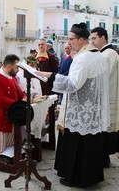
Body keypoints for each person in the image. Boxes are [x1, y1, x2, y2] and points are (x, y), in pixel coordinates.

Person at [36, 22, 110, 188]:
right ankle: (91, 177)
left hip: (80, 111)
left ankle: (76, 177)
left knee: (78, 146)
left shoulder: (83, 58)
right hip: (92, 110)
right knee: (90, 145)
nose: (68, 43)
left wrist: (50, 75)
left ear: (82, 40)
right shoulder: (97, 55)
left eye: (71, 39)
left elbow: (72, 84)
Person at [91, 26, 119, 167]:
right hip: (108, 97)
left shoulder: (107, 54)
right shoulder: (108, 53)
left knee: (104, 130)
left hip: (106, 98)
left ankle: (103, 158)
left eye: (94, 38)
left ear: (103, 38)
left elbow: (101, 77)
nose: (92, 41)